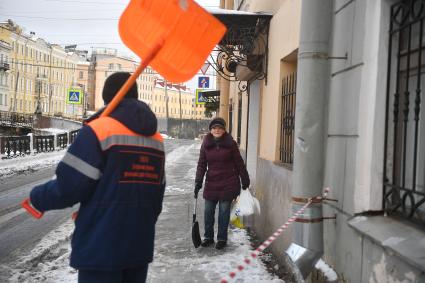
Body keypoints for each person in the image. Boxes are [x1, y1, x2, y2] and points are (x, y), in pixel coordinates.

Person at [23, 72, 166, 283]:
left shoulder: (99, 130)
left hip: (102, 246)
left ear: (107, 97)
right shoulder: (156, 139)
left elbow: (69, 187)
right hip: (138, 247)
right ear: (135, 96)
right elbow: (156, 196)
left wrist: (38, 197)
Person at [194, 117, 250, 250]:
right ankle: (208, 237)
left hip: (228, 183)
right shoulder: (206, 144)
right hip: (212, 182)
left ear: (224, 130)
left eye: (219, 128)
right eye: (214, 128)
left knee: (224, 213)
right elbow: (202, 164)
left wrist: (245, 179)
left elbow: (239, 163)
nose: (217, 130)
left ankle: (221, 238)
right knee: (208, 211)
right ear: (210, 130)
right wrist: (198, 181)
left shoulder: (231, 144)